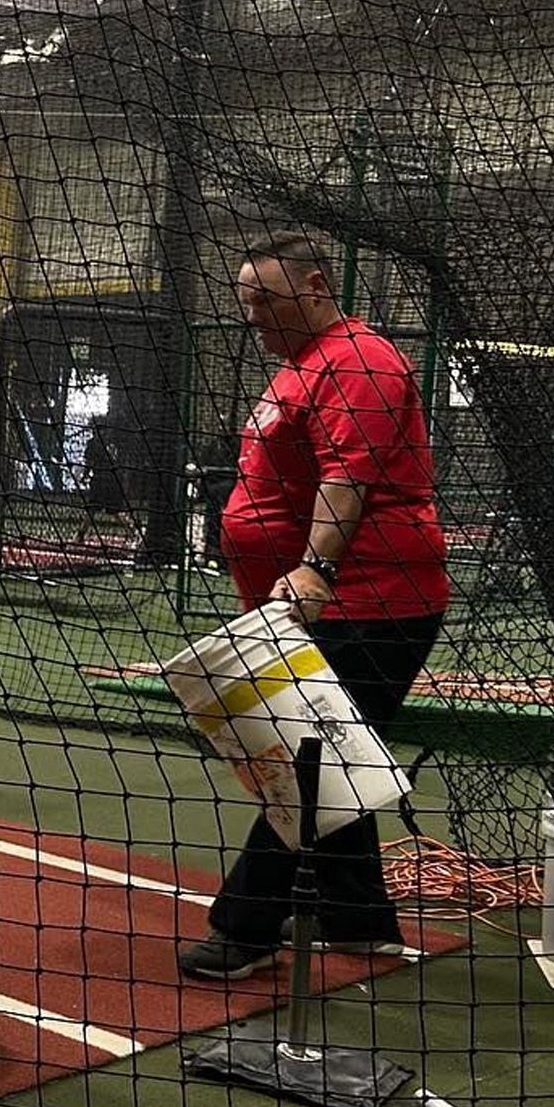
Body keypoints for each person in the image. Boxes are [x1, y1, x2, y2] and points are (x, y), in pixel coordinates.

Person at [179, 231, 449, 981]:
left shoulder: (358, 360)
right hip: (322, 601)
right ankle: (360, 922)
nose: (253, 314)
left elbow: (347, 478)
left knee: (308, 759)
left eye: (264, 298)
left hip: (372, 597)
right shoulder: (301, 367)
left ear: (317, 285)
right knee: (332, 753)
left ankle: (247, 928)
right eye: (245, 302)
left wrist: (314, 569)